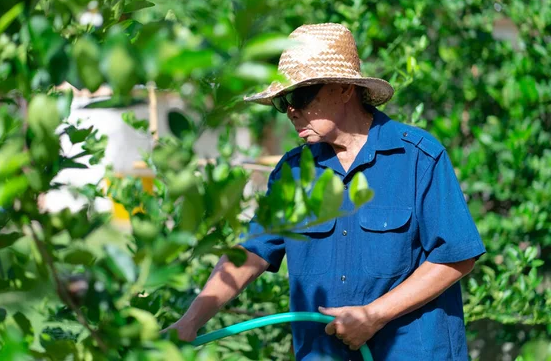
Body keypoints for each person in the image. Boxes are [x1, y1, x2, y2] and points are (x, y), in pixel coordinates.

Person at [165, 23, 486, 360]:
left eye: (301, 95)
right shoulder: (292, 174)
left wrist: (374, 315)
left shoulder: (418, 157)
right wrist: (189, 322)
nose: (291, 110)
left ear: (344, 89)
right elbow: (250, 254)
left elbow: (456, 257)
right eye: (284, 100)